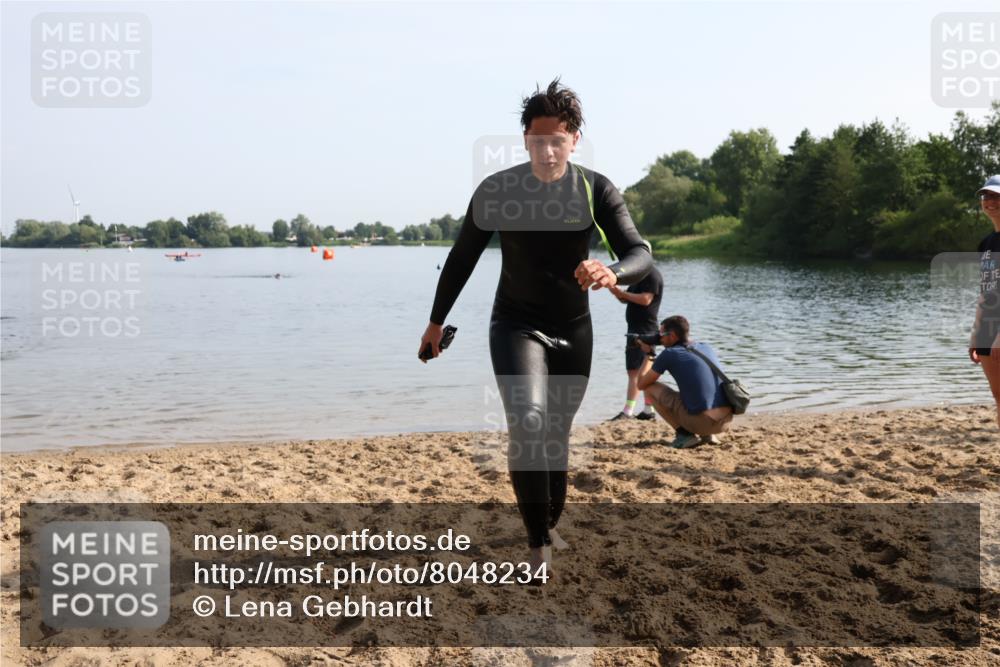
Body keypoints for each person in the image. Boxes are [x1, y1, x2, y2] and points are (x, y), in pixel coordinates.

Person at [418, 79, 652, 575]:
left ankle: (549, 524)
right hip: (515, 323)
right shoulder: (498, 190)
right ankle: (538, 542)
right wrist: (436, 323)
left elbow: (640, 253)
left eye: (558, 140)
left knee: (555, 438)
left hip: (574, 328)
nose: (548, 151)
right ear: (525, 140)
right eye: (538, 140)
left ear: (574, 141)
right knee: (527, 423)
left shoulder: (596, 188)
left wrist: (611, 270)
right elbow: (461, 259)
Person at [636, 315, 733, 449]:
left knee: (650, 388)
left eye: (662, 334)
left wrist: (649, 354)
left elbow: (641, 384)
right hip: (725, 421)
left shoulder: (670, 353)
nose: (660, 338)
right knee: (695, 391)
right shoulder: (706, 347)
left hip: (702, 423)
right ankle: (708, 435)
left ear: (673, 335)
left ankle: (685, 435)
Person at [607, 259, 663, 421]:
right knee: (637, 371)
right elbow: (628, 299)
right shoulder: (639, 275)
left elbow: (646, 299)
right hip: (636, 329)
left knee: (637, 372)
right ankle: (647, 410)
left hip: (645, 330)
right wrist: (617, 292)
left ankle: (629, 411)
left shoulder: (652, 275)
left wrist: (623, 294)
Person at [970, 174, 1000, 428]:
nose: (989, 201)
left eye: (996, 196)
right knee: (998, 397)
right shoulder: (987, 244)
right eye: (985, 196)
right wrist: (976, 335)